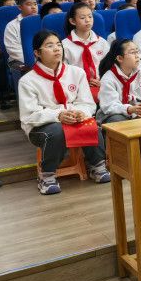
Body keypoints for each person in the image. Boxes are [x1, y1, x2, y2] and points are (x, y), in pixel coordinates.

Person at [19, 30, 111, 194]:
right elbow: (30, 115)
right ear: (37, 53)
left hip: (73, 118)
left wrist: (81, 113)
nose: (57, 49)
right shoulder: (28, 81)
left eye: (58, 44)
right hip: (41, 126)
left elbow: (87, 103)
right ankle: (47, 176)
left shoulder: (76, 72)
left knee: (92, 124)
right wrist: (58, 115)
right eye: (49, 46)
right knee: (56, 131)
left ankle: (98, 166)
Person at [96, 39, 141, 123]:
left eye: (137, 52)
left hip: (137, 112)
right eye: (132, 53)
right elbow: (109, 106)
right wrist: (129, 109)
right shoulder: (108, 78)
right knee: (118, 119)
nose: (137, 56)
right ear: (120, 58)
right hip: (114, 114)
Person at [62, 3, 108, 97]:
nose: (87, 20)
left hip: (101, 84)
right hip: (76, 87)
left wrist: (104, 82)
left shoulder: (102, 42)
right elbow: (64, 72)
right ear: (72, 21)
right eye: (82, 18)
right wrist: (81, 83)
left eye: (90, 16)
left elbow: (110, 66)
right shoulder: (64, 45)